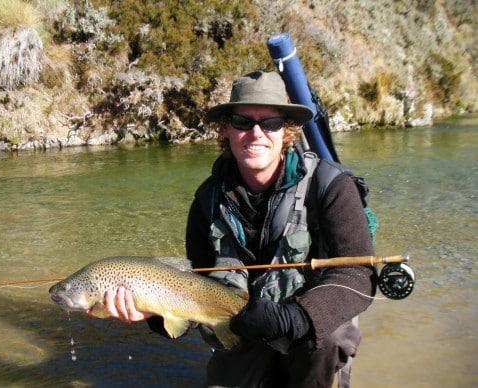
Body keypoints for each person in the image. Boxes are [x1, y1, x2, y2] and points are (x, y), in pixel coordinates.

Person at [95, 71, 377, 387]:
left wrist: (294, 319)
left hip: (308, 328)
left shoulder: (331, 186)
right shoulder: (206, 200)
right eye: (243, 122)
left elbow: (358, 274)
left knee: (331, 337)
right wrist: (154, 312)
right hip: (241, 329)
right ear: (226, 129)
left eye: (270, 122)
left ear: (287, 131)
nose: (256, 133)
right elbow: (194, 286)